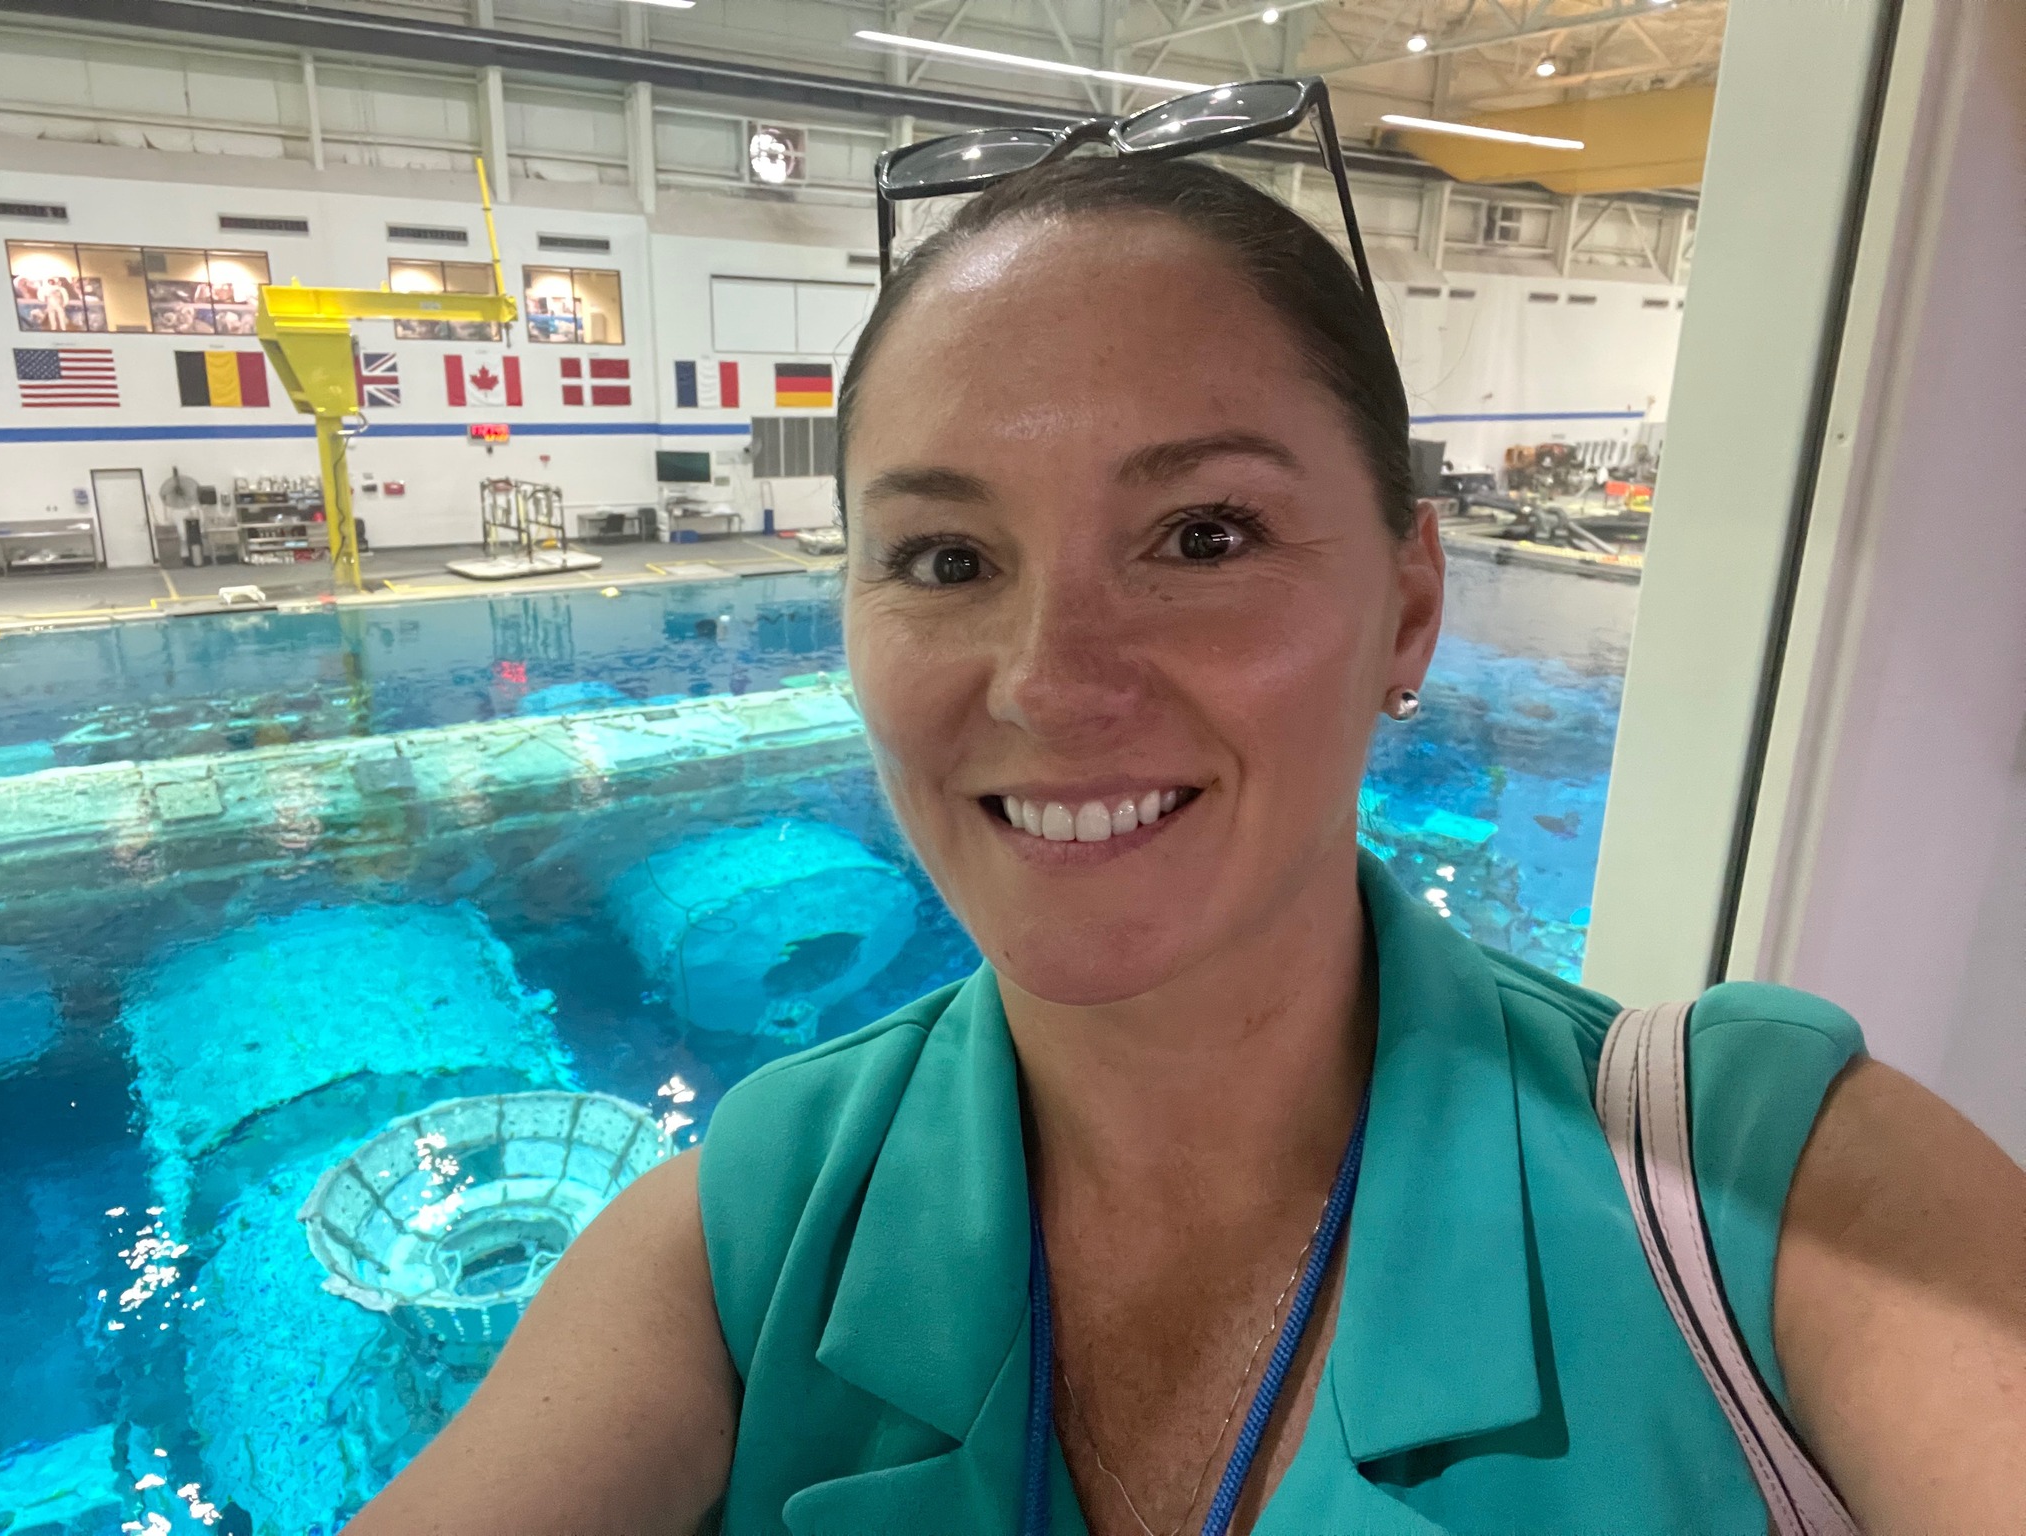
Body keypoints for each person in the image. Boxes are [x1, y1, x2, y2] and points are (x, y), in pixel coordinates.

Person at [346, 157, 2026, 1534]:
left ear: (1409, 610)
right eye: (944, 560)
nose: (1053, 684)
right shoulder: (751, 1239)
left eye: (1201, 535)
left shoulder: (1771, 1203)